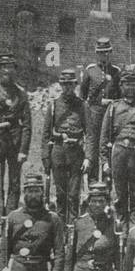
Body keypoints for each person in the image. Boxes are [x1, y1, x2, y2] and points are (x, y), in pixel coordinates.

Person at [99, 69, 135, 227]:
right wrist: (104, 161)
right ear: (121, 86)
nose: (130, 88)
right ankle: (120, 227)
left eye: (133, 84)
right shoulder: (113, 107)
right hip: (118, 153)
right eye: (126, 84)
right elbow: (104, 137)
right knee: (119, 193)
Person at [0, 53, 33, 212]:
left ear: (14, 70)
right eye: (4, 67)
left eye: (10, 67)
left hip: (15, 144)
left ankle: (11, 214)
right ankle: (0, 214)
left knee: (15, 182)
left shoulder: (21, 93)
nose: (7, 71)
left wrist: (23, 150)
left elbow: (27, 124)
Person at [41, 67, 88, 225]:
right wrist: (45, 157)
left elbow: (90, 134)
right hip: (59, 151)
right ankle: (60, 227)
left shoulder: (82, 106)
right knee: (60, 194)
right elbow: (46, 134)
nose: (68, 87)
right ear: (61, 85)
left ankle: (73, 227)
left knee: (74, 194)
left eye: (71, 84)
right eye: (65, 84)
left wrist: (88, 157)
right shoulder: (54, 106)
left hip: (76, 152)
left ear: (75, 85)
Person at [80, 37, 121, 182]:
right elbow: (84, 98)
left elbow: (120, 97)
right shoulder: (90, 71)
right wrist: (98, 102)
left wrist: (111, 103)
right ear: (97, 54)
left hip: (110, 116)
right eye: (101, 53)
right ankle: (92, 185)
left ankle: (106, 185)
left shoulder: (116, 72)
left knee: (108, 148)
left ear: (111, 52)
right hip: (94, 115)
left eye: (107, 52)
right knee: (93, 148)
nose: (105, 56)